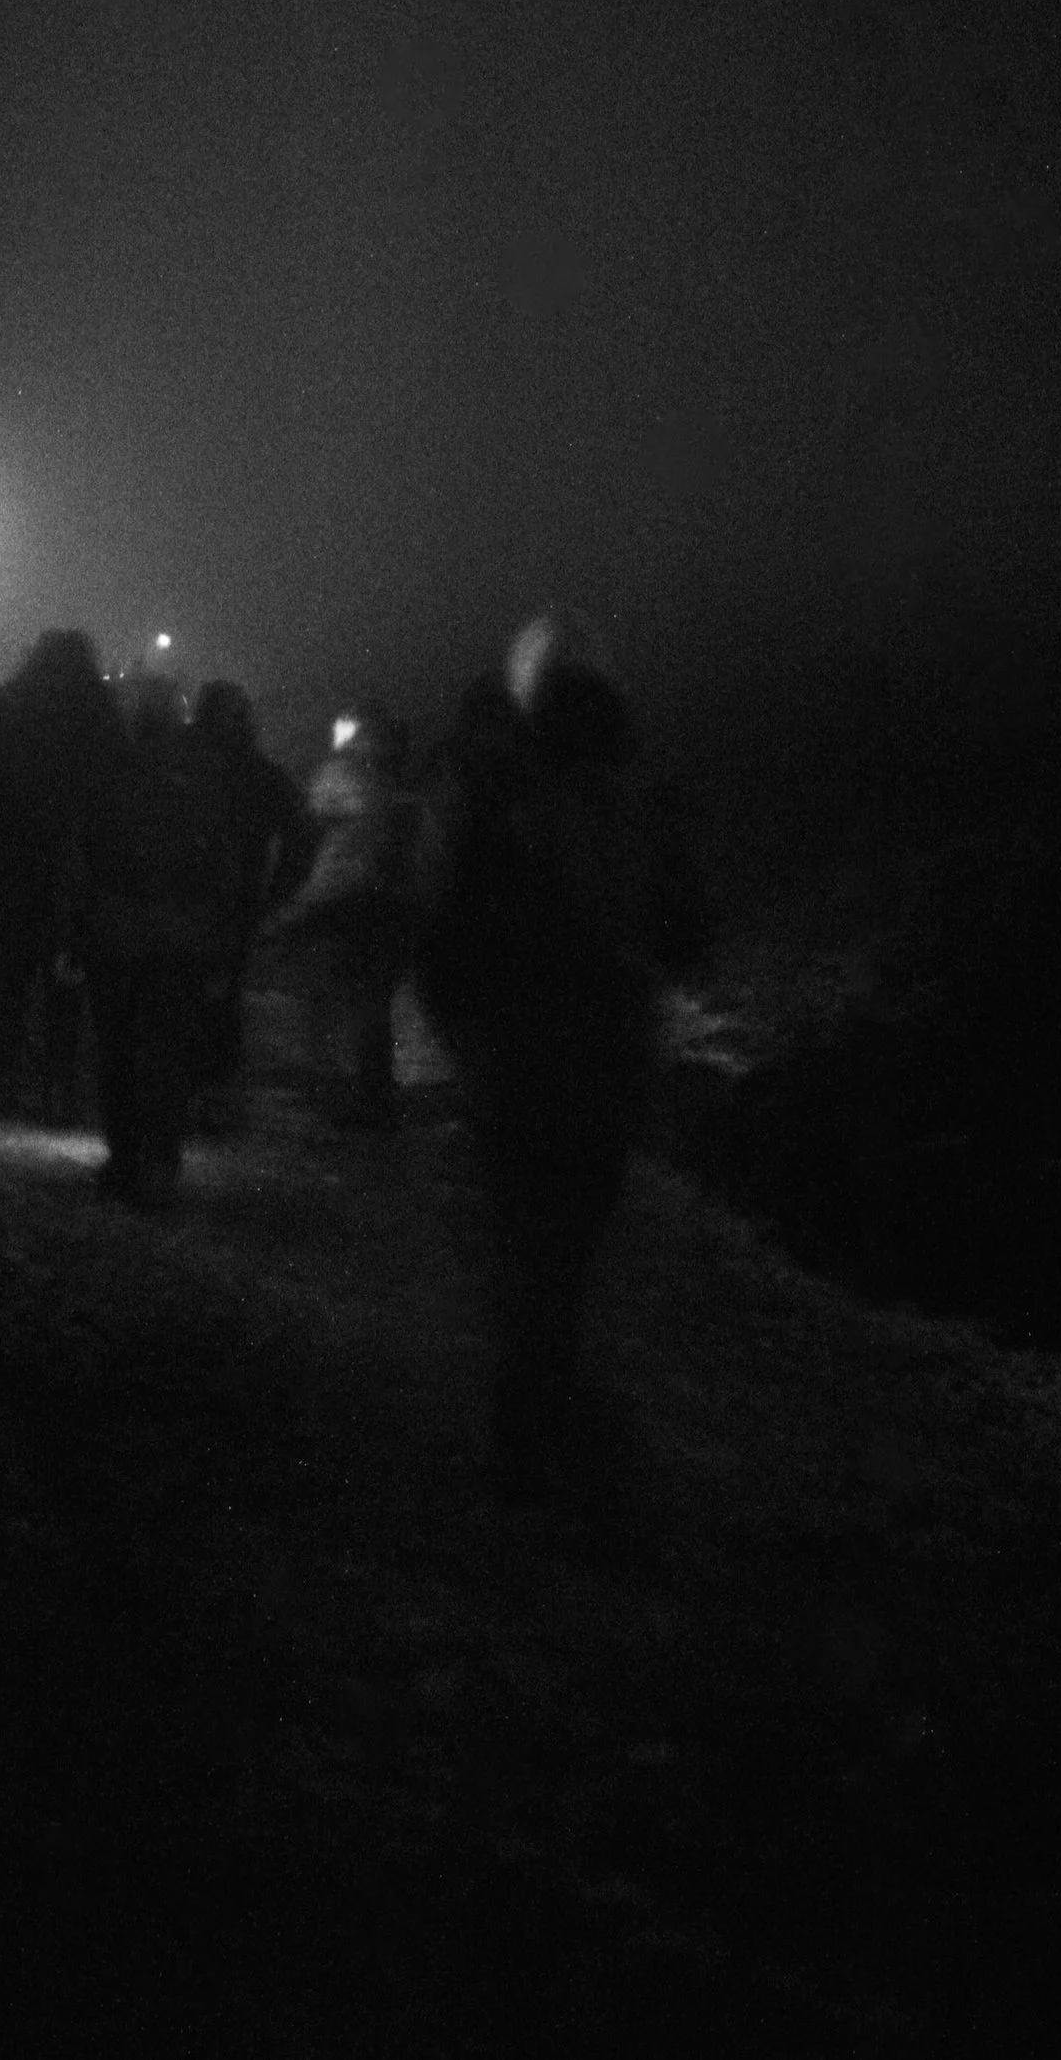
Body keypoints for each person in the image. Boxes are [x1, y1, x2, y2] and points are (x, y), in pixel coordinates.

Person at [411, 620, 710, 1497]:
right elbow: (691, 934)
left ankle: (524, 1428)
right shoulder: (646, 809)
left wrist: (463, 1033)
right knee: (573, 1247)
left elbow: (443, 934)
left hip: (514, 1063)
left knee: (521, 1244)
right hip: (609, 1065)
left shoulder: (503, 802)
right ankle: (553, 1414)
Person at [0, 630, 121, 1117]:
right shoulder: (102, 715)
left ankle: (3, 1077)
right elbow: (118, 800)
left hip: (10, 868)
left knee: (9, 976)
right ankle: (58, 1084)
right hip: (74, 871)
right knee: (66, 977)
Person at [81, 674, 244, 1207]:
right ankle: (161, 1162)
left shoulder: (109, 774)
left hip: (122, 934)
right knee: (168, 1054)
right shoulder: (206, 777)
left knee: (120, 1052)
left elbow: (84, 856)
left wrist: (76, 928)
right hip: (182, 936)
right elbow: (224, 863)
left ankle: (126, 1160)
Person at [273, 703, 421, 1129]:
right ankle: (373, 1091)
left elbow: (314, 823)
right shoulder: (393, 779)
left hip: (343, 898)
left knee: (337, 995)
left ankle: (344, 1090)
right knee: (370, 1001)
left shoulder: (342, 773)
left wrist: (297, 901)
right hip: (384, 899)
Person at [187, 679, 316, 1131]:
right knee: (219, 999)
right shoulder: (258, 771)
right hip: (231, 904)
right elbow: (302, 833)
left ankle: (190, 1096)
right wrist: (276, 891)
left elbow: (301, 835)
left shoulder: (182, 761)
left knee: (186, 994)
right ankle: (213, 1096)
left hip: (187, 900)